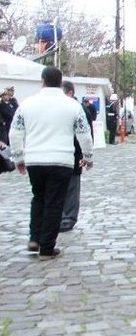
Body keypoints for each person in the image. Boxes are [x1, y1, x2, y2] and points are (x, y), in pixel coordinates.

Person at [9, 67, 93, 258]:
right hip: (61, 160)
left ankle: (34, 238)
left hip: (35, 160)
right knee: (55, 202)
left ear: (43, 81)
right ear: (60, 81)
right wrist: (88, 157)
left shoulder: (27, 104)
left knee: (38, 197)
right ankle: (47, 246)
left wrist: (18, 157)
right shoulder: (72, 105)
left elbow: (15, 132)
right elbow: (84, 134)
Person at [60, 81, 95, 232]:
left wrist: (86, 154)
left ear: (70, 93)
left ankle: (68, 218)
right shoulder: (56, 108)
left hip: (74, 152)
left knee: (71, 187)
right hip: (57, 153)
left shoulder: (79, 109)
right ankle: (58, 216)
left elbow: (87, 133)